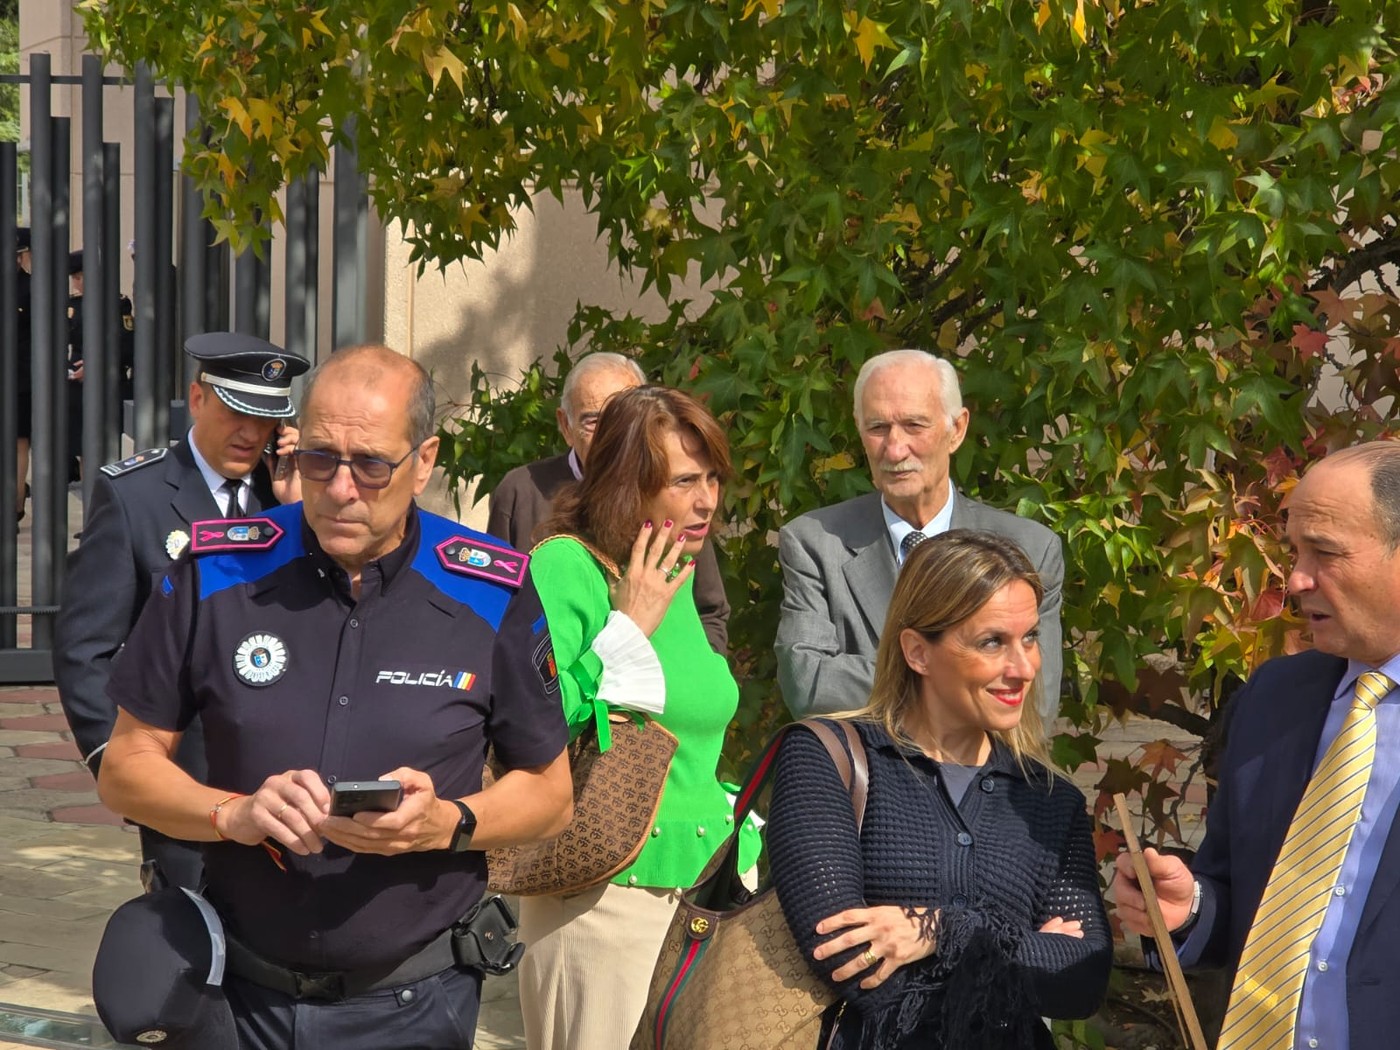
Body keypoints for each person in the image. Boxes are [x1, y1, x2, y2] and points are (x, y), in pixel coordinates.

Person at [96, 344, 573, 1050]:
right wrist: (233, 814)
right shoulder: (217, 568)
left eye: (371, 464)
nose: (341, 488)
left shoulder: (488, 589)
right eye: (318, 459)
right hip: (233, 999)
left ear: (425, 460)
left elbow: (550, 793)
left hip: (414, 1000)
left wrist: (445, 823)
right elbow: (126, 766)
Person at [767, 530, 1111, 1049]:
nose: (1023, 668)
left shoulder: (1049, 801)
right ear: (917, 652)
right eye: (992, 641)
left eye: (1030, 638)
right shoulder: (829, 759)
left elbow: (1080, 979)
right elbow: (845, 957)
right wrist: (1025, 951)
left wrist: (935, 931)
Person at [1113, 440, 1400, 1049]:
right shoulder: (1274, 697)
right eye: (1295, 550)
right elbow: (1243, 896)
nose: (1295, 579)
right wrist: (1189, 907)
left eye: (1325, 553)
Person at [516, 384, 760, 1050]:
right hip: (601, 903)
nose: (706, 499)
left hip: (702, 898)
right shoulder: (565, 565)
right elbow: (534, 721)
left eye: (711, 477)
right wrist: (628, 626)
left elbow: (685, 740)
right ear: (630, 484)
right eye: (684, 481)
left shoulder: (675, 567)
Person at [55, 331, 308, 892]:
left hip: (286, 779)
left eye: (266, 420)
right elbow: (84, 648)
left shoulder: (292, 496)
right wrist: (121, 763)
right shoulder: (135, 497)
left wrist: (299, 513)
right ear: (198, 400)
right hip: (185, 781)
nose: (251, 433)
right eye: (237, 413)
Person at [776, 348, 1065, 723]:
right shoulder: (816, 543)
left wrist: (899, 679)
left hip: (985, 778)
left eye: (914, 425)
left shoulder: (1030, 550)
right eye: (877, 428)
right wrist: (967, 677)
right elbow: (807, 684)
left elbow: (1036, 703)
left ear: (956, 430)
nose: (895, 449)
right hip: (868, 776)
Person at [488, 351, 731, 653]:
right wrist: (627, 639)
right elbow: (496, 613)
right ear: (566, 426)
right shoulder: (522, 495)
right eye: (594, 420)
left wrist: (701, 673)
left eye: (628, 417)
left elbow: (710, 612)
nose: (613, 433)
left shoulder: (681, 512)